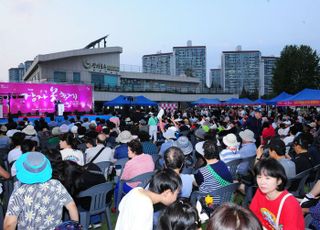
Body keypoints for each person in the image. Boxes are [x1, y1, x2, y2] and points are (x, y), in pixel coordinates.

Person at [4, 151, 79, 229]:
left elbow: (9, 224)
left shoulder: (19, 191)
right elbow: (72, 206)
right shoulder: (56, 185)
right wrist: (74, 226)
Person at [115, 168, 182, 230]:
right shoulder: (146, 207)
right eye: (177, 194)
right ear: (167, 193)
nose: (177, 197)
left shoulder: (136, 190)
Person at [250, 158, 304, 229]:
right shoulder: (260, 192)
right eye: (259, 177)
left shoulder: (289, 204)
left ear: (279, 181)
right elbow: (253, 214)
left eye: (267, 178)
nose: (262, 182)